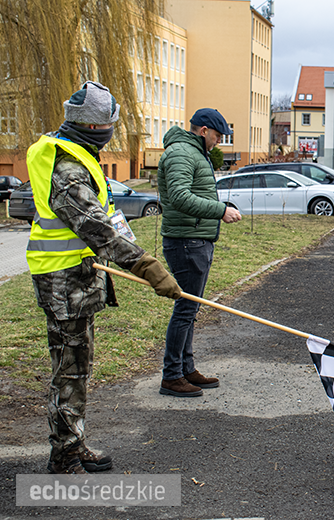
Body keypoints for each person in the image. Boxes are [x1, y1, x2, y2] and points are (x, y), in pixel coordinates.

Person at [26, 81, 182, 474]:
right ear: (95, 127)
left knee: (78, 366)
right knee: (70, 370)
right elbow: (97, 229)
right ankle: (64, 454)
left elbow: (109, 221)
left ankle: (74, 442)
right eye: (110, 123)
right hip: (62, 283)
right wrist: (146, 266)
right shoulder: (66, 167)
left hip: (77, 279)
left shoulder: (78, 156)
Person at [157, 108, 242, 398]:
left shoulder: (193, 152)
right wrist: (220, 211)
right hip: (186, 241)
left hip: (195, 239)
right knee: (185, 309)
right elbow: (180, 197)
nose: (219, 142)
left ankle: (185, 368)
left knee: (190, 309)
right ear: (204, 130)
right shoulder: (182, 152)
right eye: (218, 136)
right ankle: (171, 376)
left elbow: (195, 193)